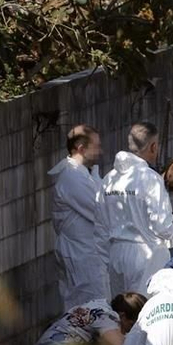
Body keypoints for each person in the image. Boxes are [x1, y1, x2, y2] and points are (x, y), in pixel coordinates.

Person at [104, 122, 173, 295]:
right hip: (145, 255)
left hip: (115, 254)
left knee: (120, 311)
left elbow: (100, 224)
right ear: (153, 146)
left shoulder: (109, 179)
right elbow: (162, 226)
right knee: (144, 310)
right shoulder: (150, 178)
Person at [49, 124, 111, 311]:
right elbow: (100, 210)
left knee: (95, 306)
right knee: (89, 309)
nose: (100, 151)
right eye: (96, 146)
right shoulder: (72, 176)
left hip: (87, 252)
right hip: (80, 254)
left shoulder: (85, 173)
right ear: (81, 149)